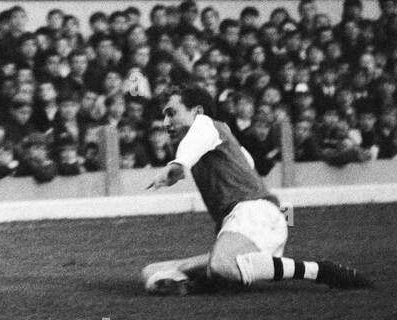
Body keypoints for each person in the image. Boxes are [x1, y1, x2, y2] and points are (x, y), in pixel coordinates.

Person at [141, 86, 370, 295]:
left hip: (254, 214)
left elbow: (187, 154)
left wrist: (175, 167)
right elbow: (248, 167)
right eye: (164, 115)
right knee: (152, 272)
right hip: (249, 220)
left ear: (197, 112)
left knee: (221, 266)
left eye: (172, 113)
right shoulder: (224, 143)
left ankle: (319, 270)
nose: (165, 122)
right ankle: (209, 279)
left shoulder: (206, 125)